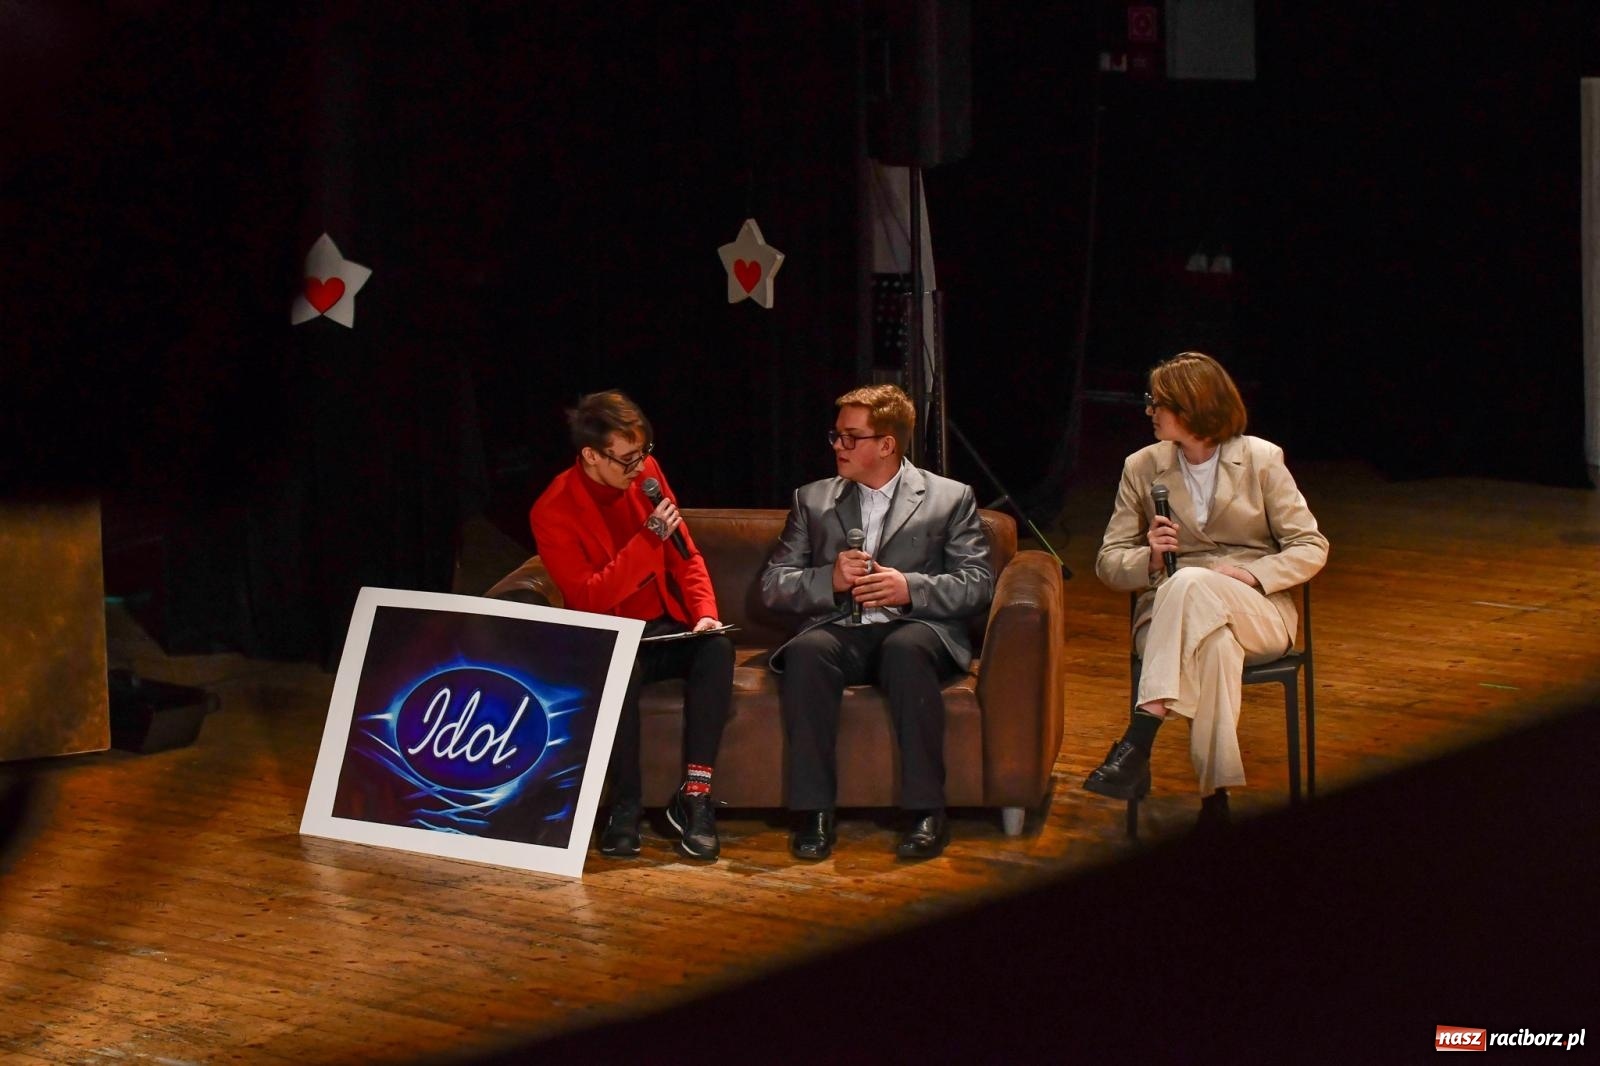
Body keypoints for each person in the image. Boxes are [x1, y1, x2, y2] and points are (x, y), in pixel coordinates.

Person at [1084, 352, 1329, 826]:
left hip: (1253, 605)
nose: (1149, 411)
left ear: (1191, 406)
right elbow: (1108, 563)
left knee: (1193, 580)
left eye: (1157, 403)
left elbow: (1310, 545)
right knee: (1214, 647)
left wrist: (1257, 576)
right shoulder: (1142, 467)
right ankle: (1214, 797)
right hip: (1169, 617)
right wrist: (1151, 558)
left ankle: (1140, 735)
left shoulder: (1261, 459)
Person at [760, 384, 994, 861]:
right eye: (836, 436)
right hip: (841, 629)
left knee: (904, 650)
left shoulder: (950, 499)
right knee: (806, 652)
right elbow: (773, 585)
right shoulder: (813, 499)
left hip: (915, 629)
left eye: (850, 438)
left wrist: (910, 589)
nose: (837, 447)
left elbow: (977, 585)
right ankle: (814, 812)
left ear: (886, 444)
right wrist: (830, 579)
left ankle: (927, 811)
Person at [528, 390, 733, 861]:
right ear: (591, 456)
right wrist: (646, 541)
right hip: (608, 633)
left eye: (644, 454)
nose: (639, 469)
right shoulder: (553, 509)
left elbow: (685, 554)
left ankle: (695, 795)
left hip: (663, 625)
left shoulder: (647, 476)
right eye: (625, 460)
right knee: (616, 670)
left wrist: (704, 612)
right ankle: (626, 807)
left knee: (717, 646)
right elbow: (588, 597)